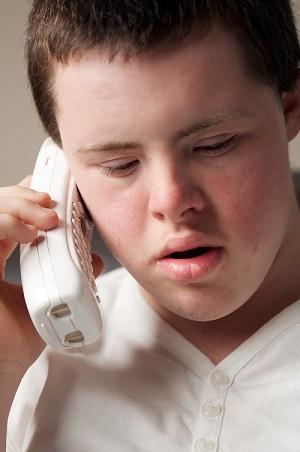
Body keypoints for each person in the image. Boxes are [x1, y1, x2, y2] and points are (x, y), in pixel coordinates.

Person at [1, 0, 300, 450]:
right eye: (119, 165)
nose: (172, 202)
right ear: (61, 170)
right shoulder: (30, 373)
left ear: (289, 108)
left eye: (215, 145)